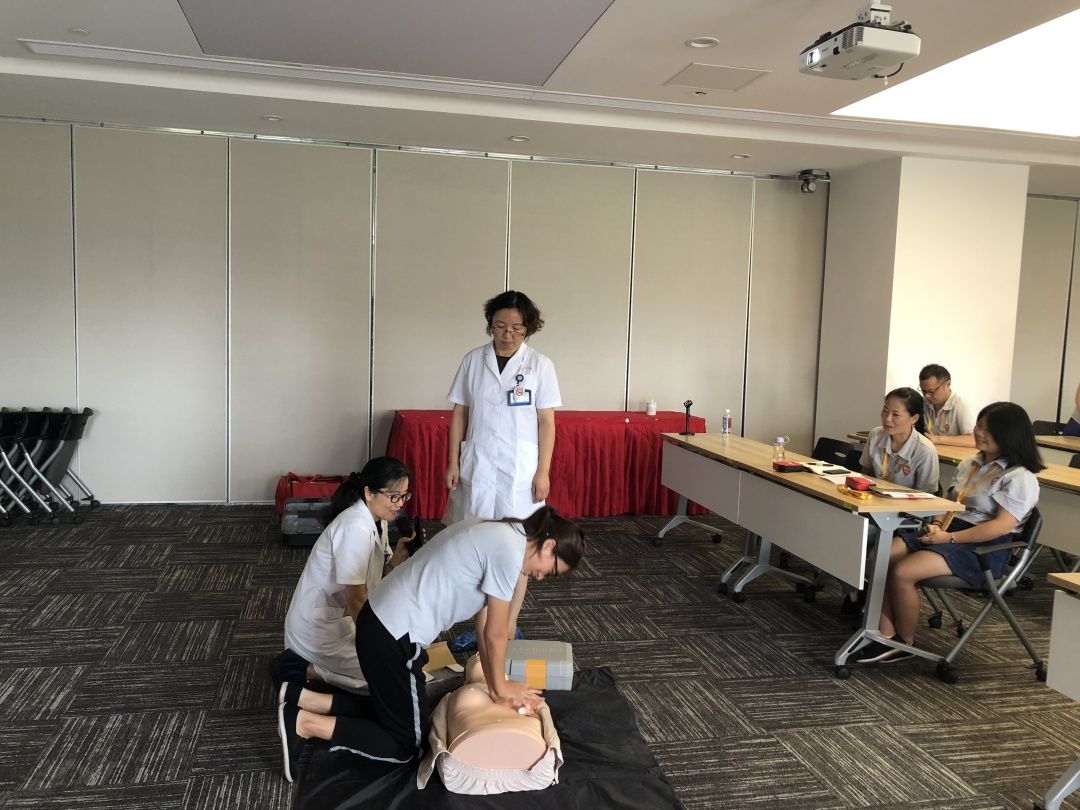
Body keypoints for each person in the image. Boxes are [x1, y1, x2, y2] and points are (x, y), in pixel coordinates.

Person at [276, 506, 585, 782]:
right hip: (393, 637)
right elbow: (495, 633)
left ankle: (307, 699)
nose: (541, 577)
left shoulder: (501, 531)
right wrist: (502, 687)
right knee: (405, 743)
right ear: (548, 546)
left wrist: (496, 685)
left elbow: (484, 625)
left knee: (400, 710)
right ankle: (304, 723)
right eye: (551, 570)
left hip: (379, 622)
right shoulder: (509, 551)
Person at [857, 402, 1043, 664]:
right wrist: (936, 523)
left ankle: (904, 642)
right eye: (979, 425)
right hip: (948, 530)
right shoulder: (971, 463)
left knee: (902, 572)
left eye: (987, 429)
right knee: (880, 556)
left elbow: (1000, 526)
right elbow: (949, 502)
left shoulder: (1019, 477)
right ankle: (883, 634)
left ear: (1008, 435)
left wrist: (950, 537)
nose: (978, 432)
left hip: (983, 546)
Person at [271, 457, 413, 692]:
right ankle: (304, 670)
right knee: (392, 679)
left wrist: (397, 558)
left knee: (403, 662)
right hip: (319, 630)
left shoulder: (378, 521)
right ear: (369, 493)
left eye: (404, 496)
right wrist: (375, 645)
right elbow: (356, 598)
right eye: (394, 496)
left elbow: (371, 582)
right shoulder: (355, 527)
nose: (400, 504)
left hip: (343, 619)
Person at [443, 290, 561, 525]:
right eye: (500, 326)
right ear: (491, 324)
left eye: (516, 328)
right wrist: (453, 462)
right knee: (472, 530)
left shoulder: (541, 365)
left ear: (528, 328)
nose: (508, 334)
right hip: (478, 461)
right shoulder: (472, 361)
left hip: (519, 465)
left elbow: (546, 422)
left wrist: (543, 472)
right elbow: (460, 414)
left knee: (517, 533)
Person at [841, 388, 939, 615]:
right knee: (837, 527)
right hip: (871, 508)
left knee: (851, 535)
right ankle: (854, 593)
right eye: (885, 411)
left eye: (896, 414)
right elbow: (865, 475)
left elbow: (928, 501)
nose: (887, 419)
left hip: (903, 519)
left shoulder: (924, 451)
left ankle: (865, 601)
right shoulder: (876, 435)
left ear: (914, 418)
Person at [918, 364, 977, 447]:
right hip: (931, 452)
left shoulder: (961, 406)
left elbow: (973, 439)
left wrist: (937, 439)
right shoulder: (924, 403)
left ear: (948, 384)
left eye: (931, 391)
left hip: (953, 454)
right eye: (924, 391)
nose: (927, 396)